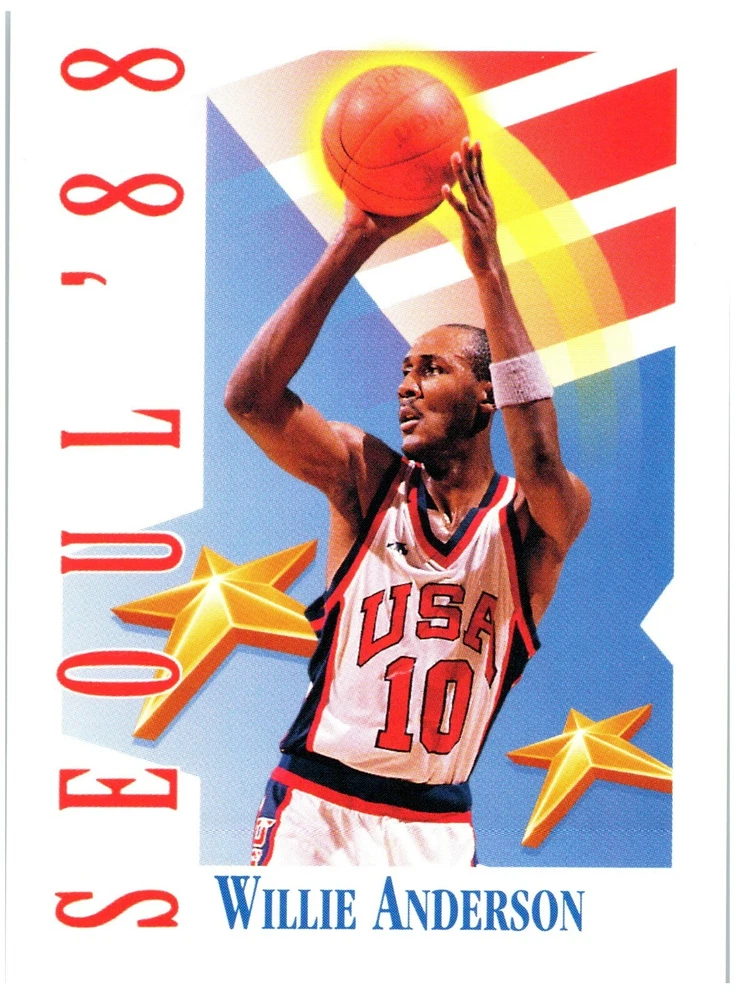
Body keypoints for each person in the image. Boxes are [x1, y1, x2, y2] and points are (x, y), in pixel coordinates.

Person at [225, 138, 590, 865]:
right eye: (403, 369)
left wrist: (488, 270)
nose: (406, 386)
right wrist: (355, 240)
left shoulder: (532, 522)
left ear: (485, 394)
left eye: (431, 369)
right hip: (318, 807)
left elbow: (541, 456)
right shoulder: (364, 478)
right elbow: (251, 400)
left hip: (436, 826)